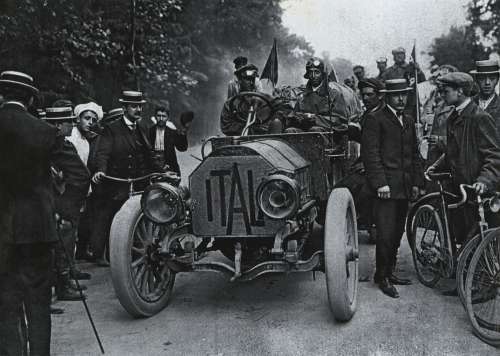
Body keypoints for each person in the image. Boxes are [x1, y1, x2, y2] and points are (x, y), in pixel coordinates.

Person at [0, 70, 59, 355]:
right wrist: (63, 212)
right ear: (29, 98)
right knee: (38, 304)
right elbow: (78, 174)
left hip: (2, 233)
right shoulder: (45, 131)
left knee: (6, 305)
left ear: (2, 95)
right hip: (38, 230)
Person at [361, 79, 424, 298]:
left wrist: (416, 182)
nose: (400, 99)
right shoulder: (374, 119)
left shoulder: (407, 119)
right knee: (385, 234)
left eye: (404, 95)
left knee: (397, 233)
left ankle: (390, 271)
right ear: (386, 96)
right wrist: (381, 184)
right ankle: (382, 276)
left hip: (404, 187)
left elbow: (415, 153)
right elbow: (370, 155)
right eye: (396, 95)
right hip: (386, 188)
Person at [91, 90, 161, 266]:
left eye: (140, 106)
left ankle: (132, 252)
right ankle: (100, 254)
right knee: (109, 217)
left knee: (137, 217)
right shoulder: (111, 129)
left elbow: (149, 154)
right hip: (116, 182)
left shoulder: (142, 128)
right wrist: (101, 170)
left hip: (138, 181)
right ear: (124, 108)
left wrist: (162, 171)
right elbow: (103, 153)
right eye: (133, 106)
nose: (138, 110)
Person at [433, 72, 500, 244]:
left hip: (477, 191)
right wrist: (436, 166)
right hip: (460, 190)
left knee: (481, 241)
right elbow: (452, 153)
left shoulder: (480, 118)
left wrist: (484, 181)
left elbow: (494, 155)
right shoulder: (453, 117)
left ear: (460, 91)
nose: (442, 95)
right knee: (462, 239)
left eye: (445, 91)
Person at [44, 106, 92, 301]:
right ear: (57, 124)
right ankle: (60, 287)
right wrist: (66, 207)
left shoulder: (56, 142)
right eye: (68, 121)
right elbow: (81, 176)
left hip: (56, 201)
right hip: (57, 203)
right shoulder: (56, 144)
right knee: (59, 244)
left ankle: (62, 283)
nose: (72, 125)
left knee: (62, 243)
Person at [288, 58, 362, 132]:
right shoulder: (302, 96)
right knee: (290, 131)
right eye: (310, 72)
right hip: (305, 131)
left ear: (323, 75)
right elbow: (292, 116)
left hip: (328, 135)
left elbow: (340, 120)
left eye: (317, 72)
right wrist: (298, 117)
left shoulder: (334, 95)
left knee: (314, 130)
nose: (313, 76)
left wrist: (315, 118)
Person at [71, 102, 103, 262]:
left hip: (82, 186)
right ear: (78, 119)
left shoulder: (86, 140)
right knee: (69, 225)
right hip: (70, 186)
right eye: (87, 118)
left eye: (93, 120)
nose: (90, 122)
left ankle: (77, 256)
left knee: (80, 222)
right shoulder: (72, 138)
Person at [220, 64, 283, 135]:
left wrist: (275, 119)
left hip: (268, 139)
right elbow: (226, 126)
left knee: (277, 122)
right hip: (242, 140)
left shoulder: (268, 99)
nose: (251, 83)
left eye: (253, 79)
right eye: (247, 79)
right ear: (239, 81)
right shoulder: (230, 104)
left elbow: (285, 109)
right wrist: (252, 129)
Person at [149, 106, 189, 176]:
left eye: (164, 116)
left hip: (170, 169)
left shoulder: (172, 133)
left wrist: (183, 134)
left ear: (168, 118)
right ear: (155, 117)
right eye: (159, 116)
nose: (161, 119)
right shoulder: (149, 132)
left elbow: (182, 148)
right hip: (153, 169)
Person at [471, 59, 500, 134]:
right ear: (476, 79)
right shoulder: (469, 104)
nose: (487, 83)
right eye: (482, 78)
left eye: (492, 78)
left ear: (497, 80)